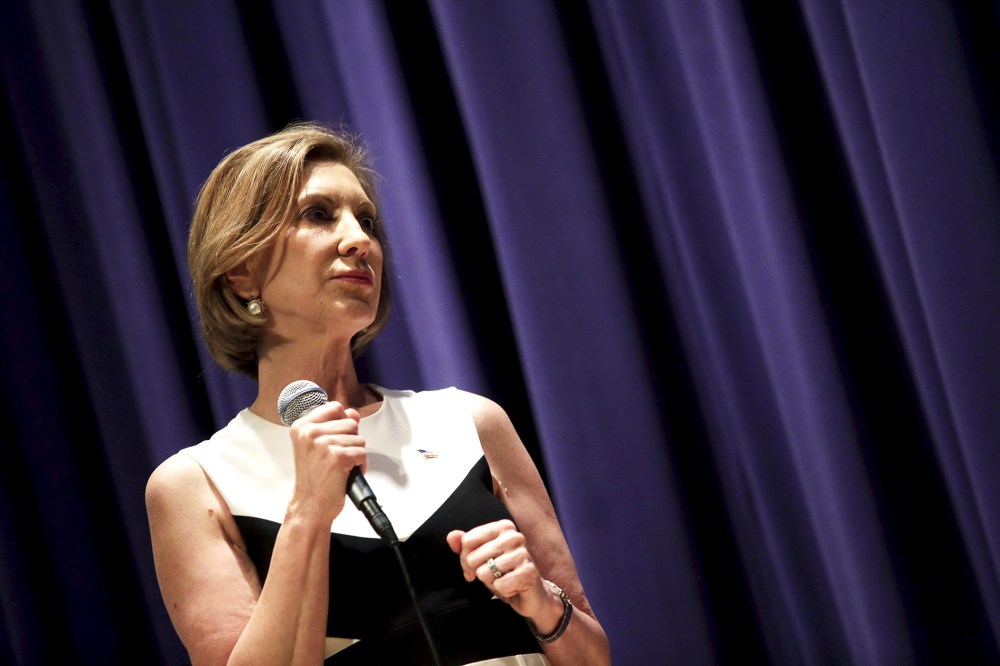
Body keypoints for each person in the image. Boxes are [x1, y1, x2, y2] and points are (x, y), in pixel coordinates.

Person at [145, 122, 611, 665]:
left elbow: (594, 657)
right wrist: (307, 514)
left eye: (365, 220)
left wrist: (543, 606)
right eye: (319, 214)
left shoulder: (471, 421)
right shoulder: (197, 483)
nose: (360, 240)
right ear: (242, 273)